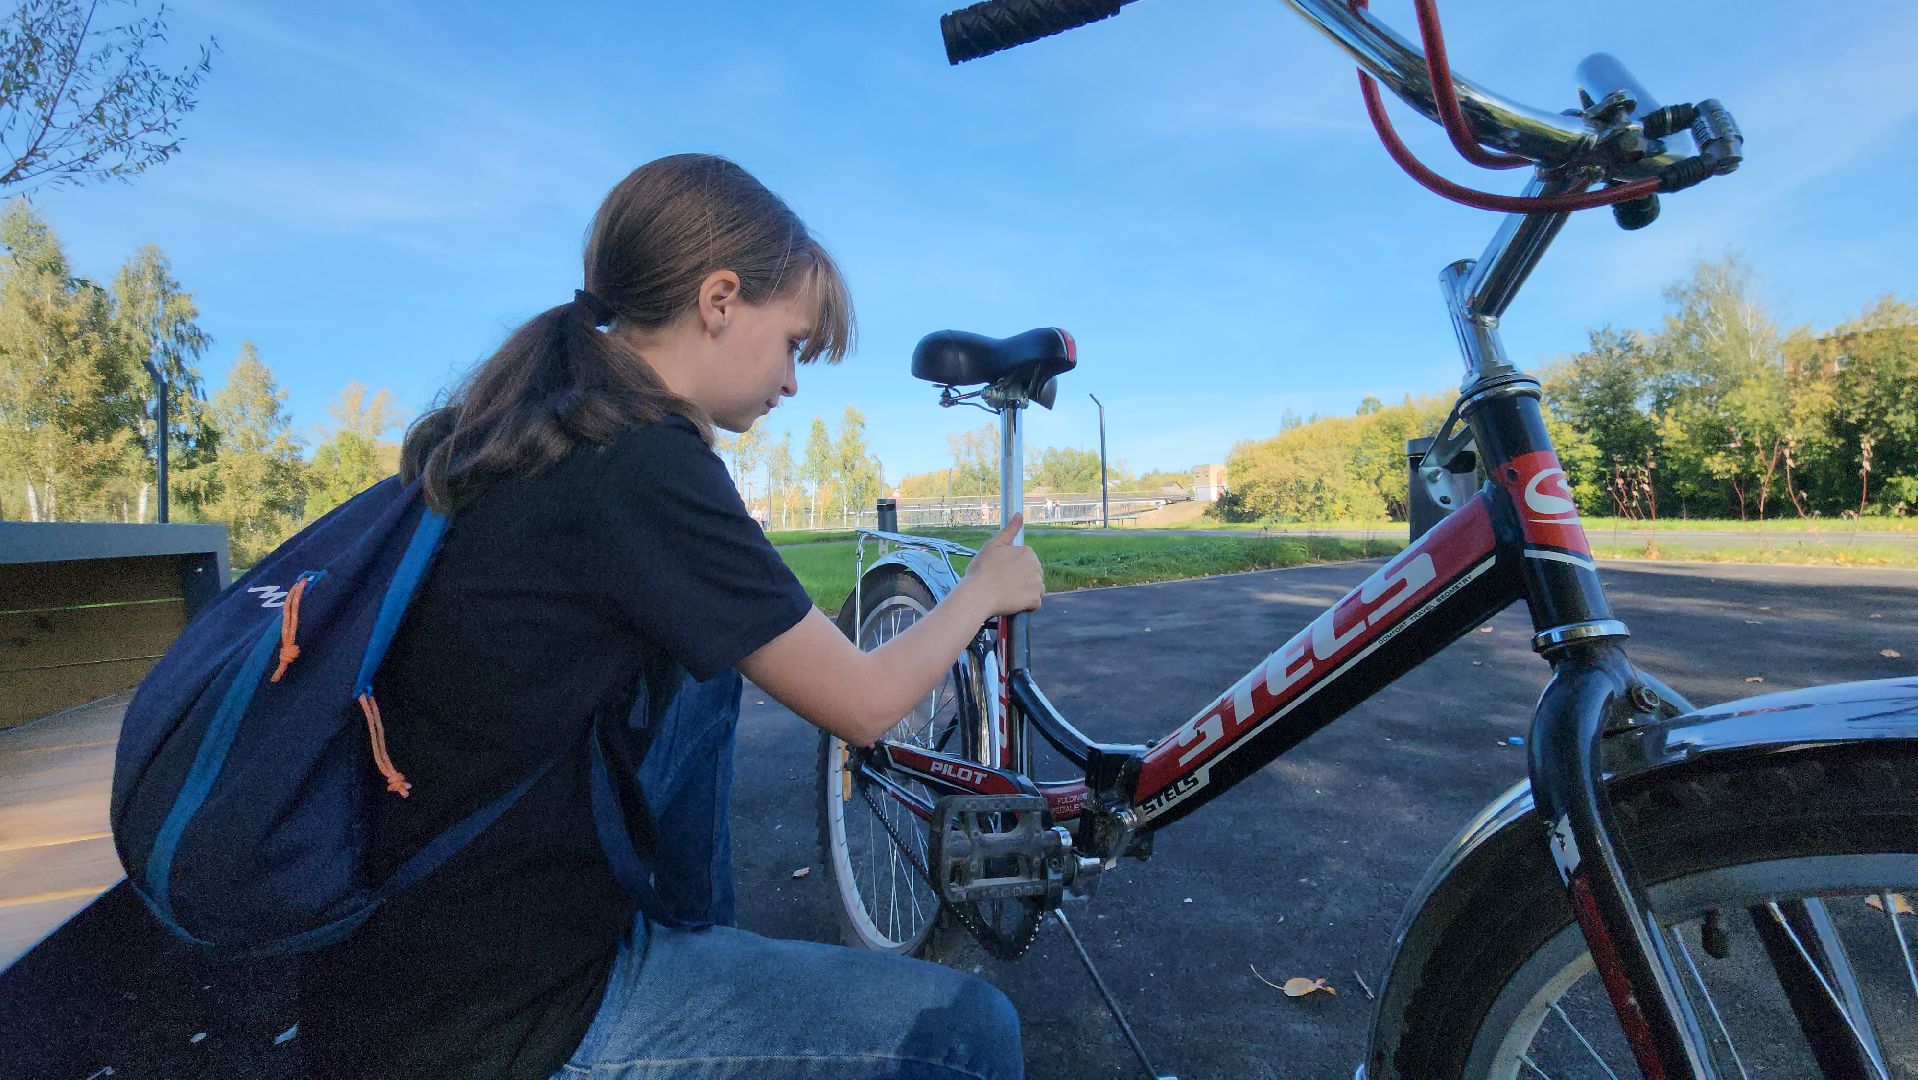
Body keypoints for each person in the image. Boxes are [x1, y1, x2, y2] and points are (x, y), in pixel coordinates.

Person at [297, 154, 1042, 1079]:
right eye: (795, 346)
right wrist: (983, 588)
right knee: (970, 1035)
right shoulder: (641, 466)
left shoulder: (548, 427)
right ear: (720, 300)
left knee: (707, 682)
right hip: (497, 1021)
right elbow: (864, 704)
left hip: (396, 967)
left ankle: (691, 943)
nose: (793, 382)